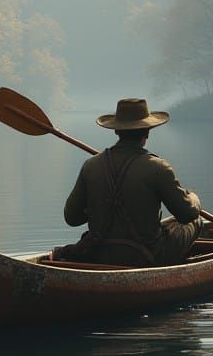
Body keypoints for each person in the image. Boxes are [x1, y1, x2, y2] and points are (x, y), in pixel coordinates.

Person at [55, 97, 202, 267]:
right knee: (196, 221)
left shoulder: (91, 165)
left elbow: (72, 218)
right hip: (147, 257)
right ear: (147, 131)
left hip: (97, 254)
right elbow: (187, 215)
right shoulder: (158, 168)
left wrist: (99, 205)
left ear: (116, 131)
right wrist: (195, 199)